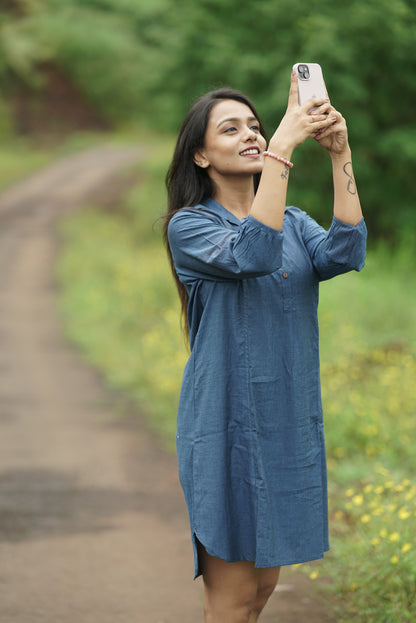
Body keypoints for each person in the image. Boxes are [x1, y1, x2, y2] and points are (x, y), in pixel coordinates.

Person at [163, 69, 367, 623]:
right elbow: (253, 253)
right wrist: (280, 146)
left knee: (257, 597)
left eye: (255, 125)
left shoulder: (295, 223)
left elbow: (348, 250)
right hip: (224, 424)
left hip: (286, 425)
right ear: (200, 156)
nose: (251, 134)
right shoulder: (190, 228)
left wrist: (338, 154)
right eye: (231, 130)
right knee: (230, 601)